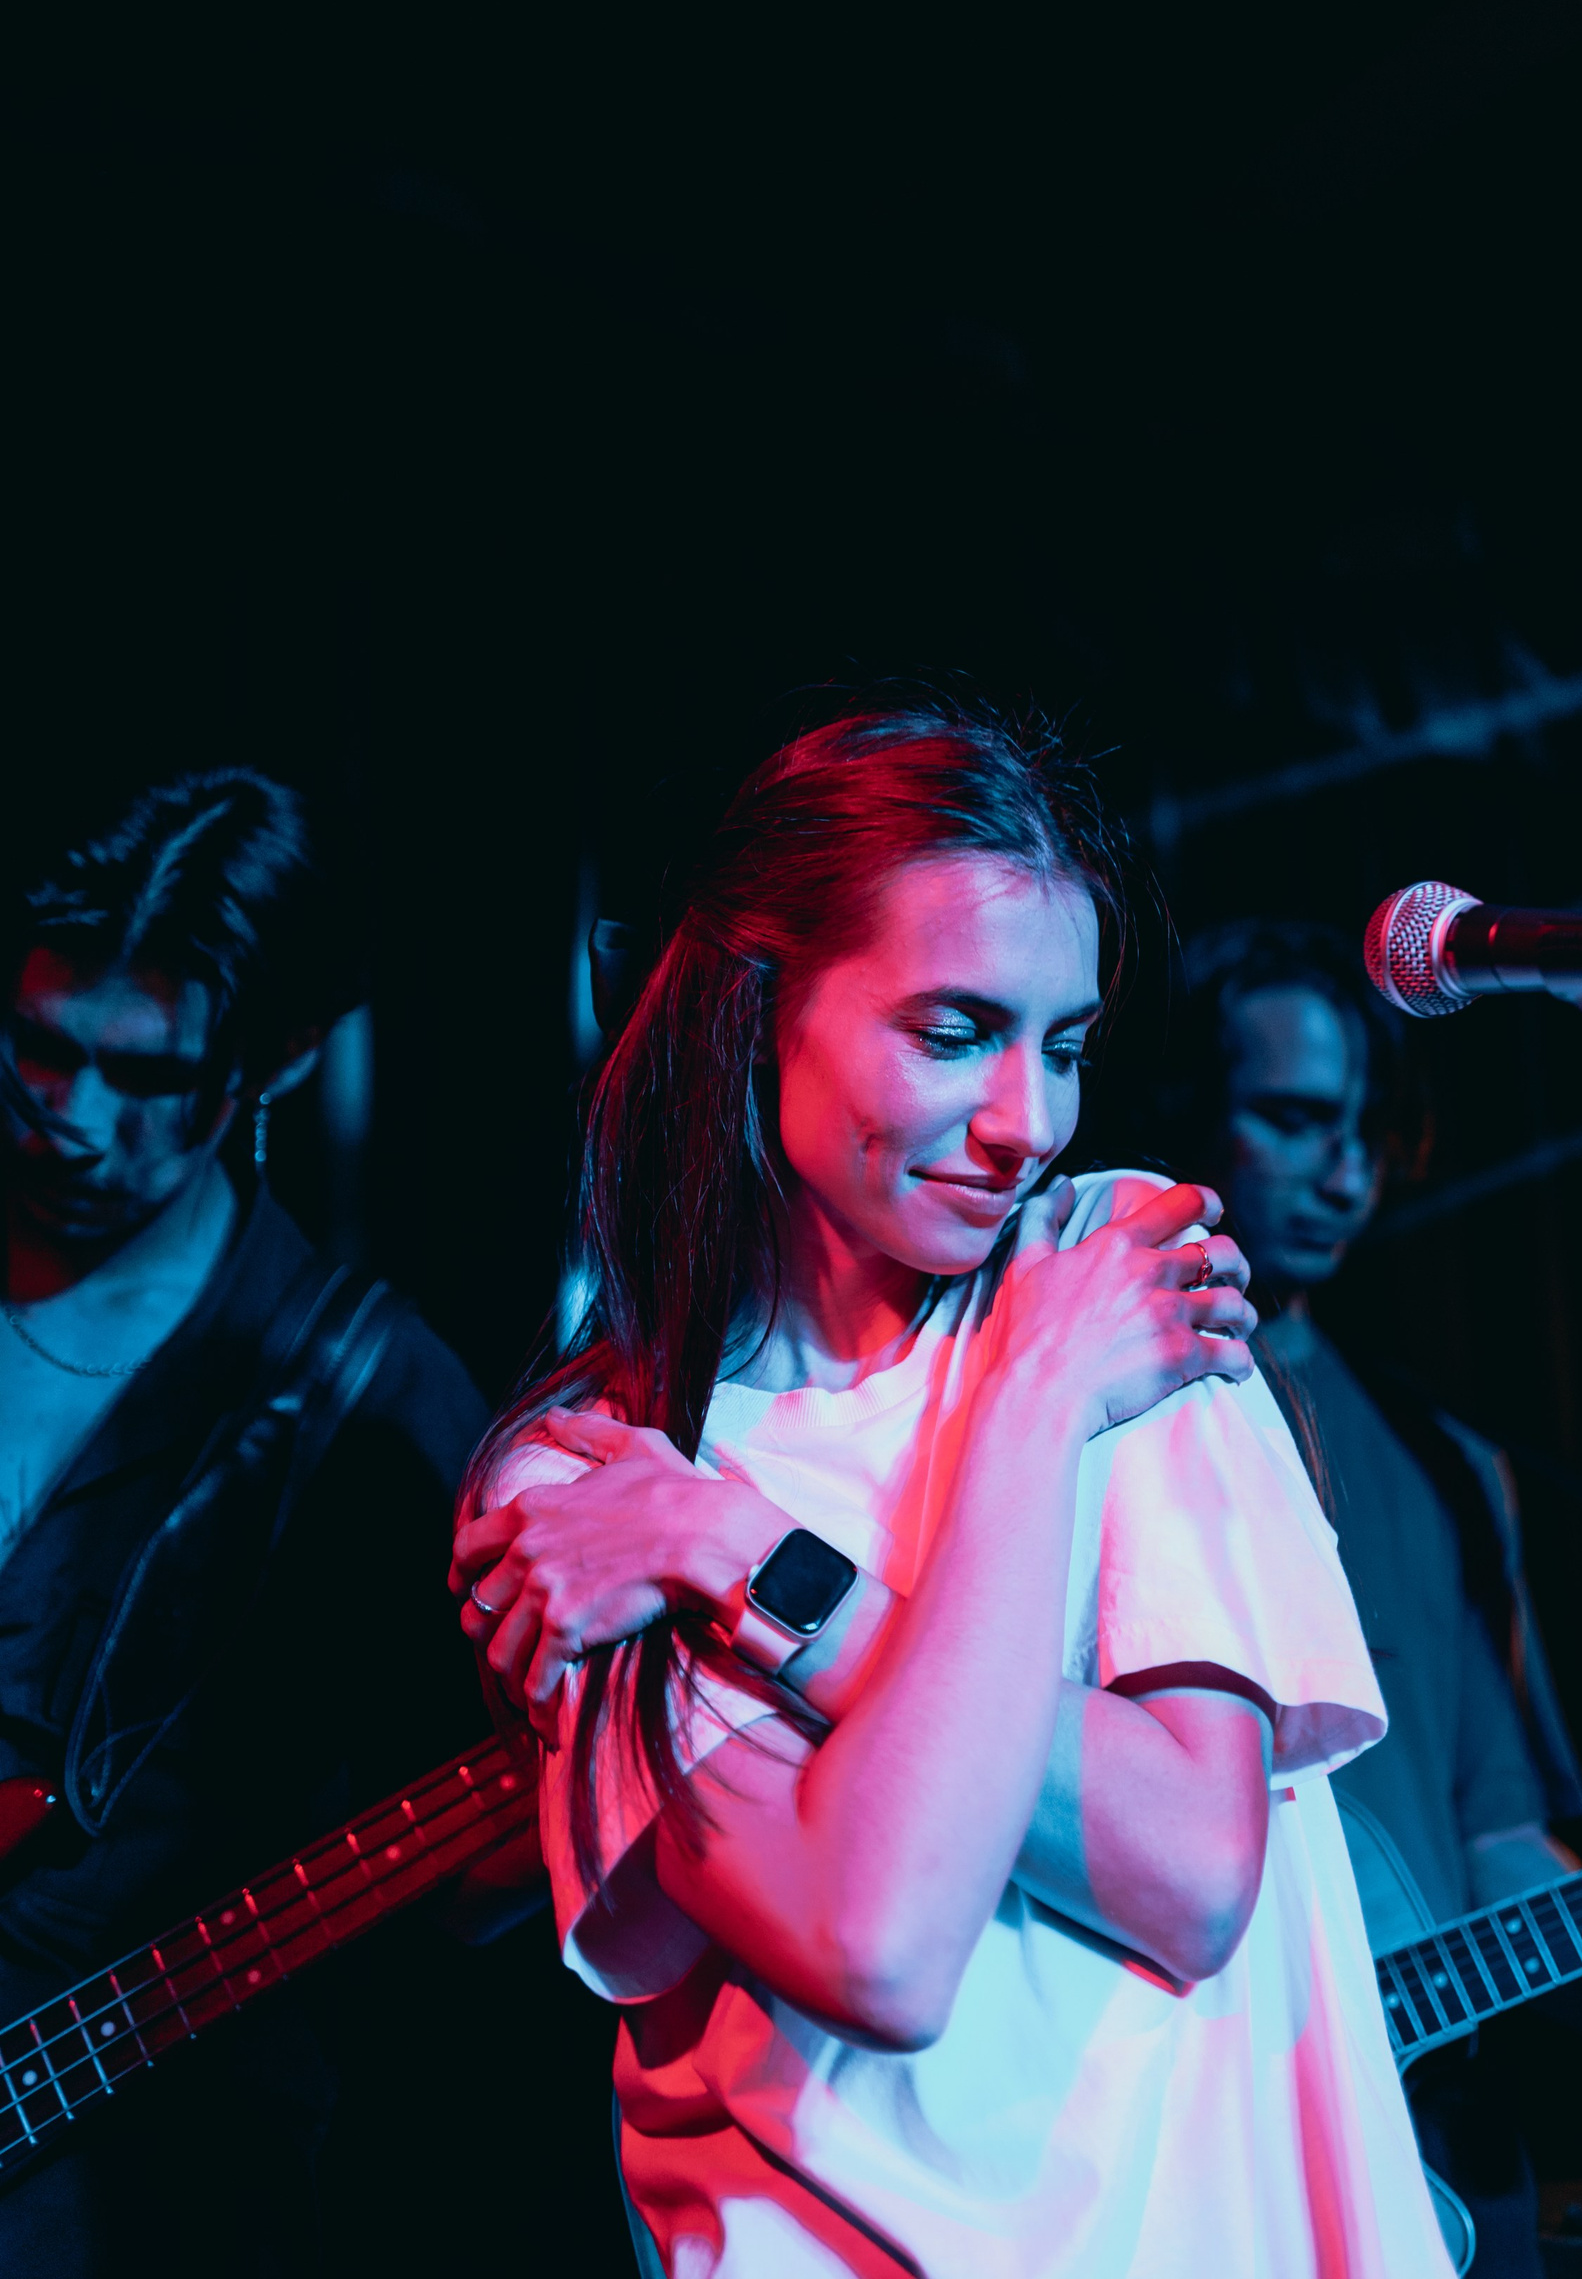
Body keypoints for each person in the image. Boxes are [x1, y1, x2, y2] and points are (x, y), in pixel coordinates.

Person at [452, 698, 1455, 2277]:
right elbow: (883, 1940)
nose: (1027, 1123)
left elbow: (1194, 1867)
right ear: (758, 1011)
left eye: (1064, 1045)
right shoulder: (596, 1471)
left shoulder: (1108, 1272)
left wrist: (750, 1553)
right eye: (953, 1031)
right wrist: (1036, 1418)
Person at [1140, 916, 1582, 2279]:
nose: (1346, 1172)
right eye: (1295, 1120)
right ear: (1188, 1114)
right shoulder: (1113, 1412)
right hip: (1197, 2164)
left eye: (1366, 1132)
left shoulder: (1453, 1469)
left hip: (1442, 2163)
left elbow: (1491, 1834)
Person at [0, 769, 489, 2279]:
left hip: (132, 2186)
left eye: (149, 1076)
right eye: (38, 1049)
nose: (76, 1120)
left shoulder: (371, 1398)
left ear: (276, 1061)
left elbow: (473, 1872)